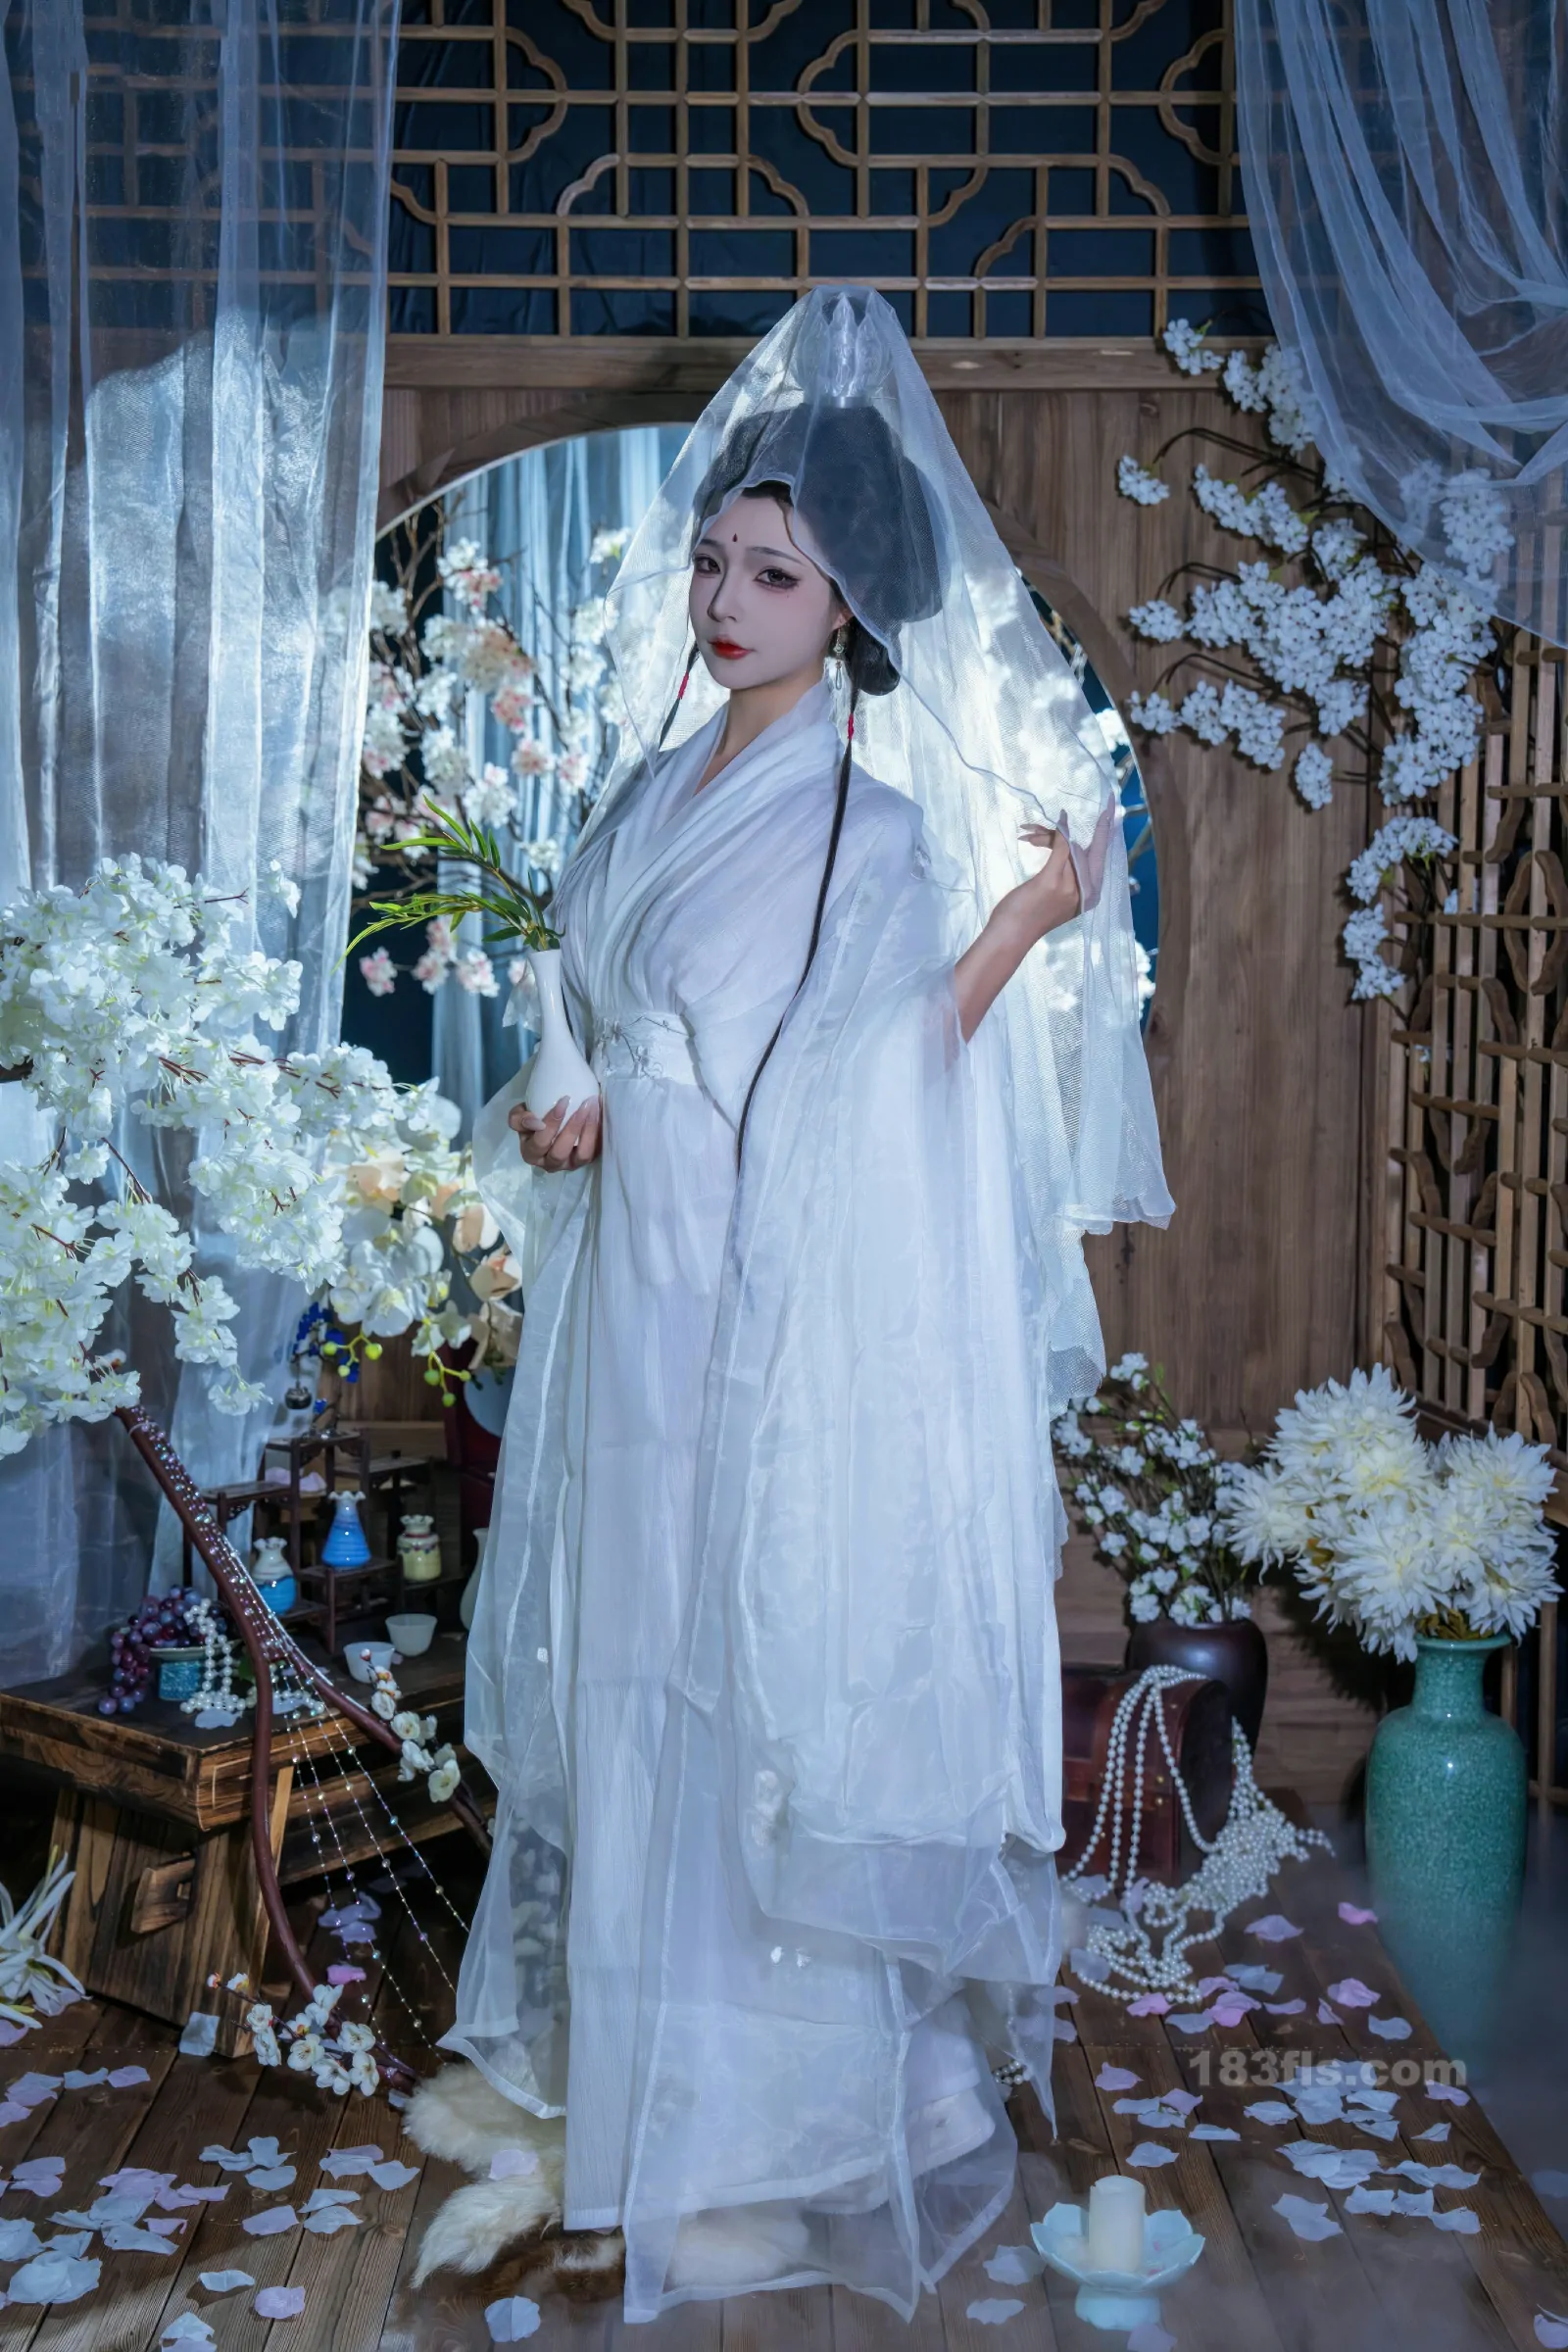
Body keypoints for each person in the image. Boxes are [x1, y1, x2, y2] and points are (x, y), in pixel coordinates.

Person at [425, 286, 1173, 2324]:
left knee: (727, 1671)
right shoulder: (648, 791)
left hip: (740, 1304)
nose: (726, 599)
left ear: (846, 610)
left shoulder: (876, 827)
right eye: (713, 561)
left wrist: (1021, 920)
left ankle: (754, 2118)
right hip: (625, 1284)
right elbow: (585, 996)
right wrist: (569, 1088)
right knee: (625, 1663)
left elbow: (874, 1080)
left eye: (773, 573)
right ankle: (628, 2088)